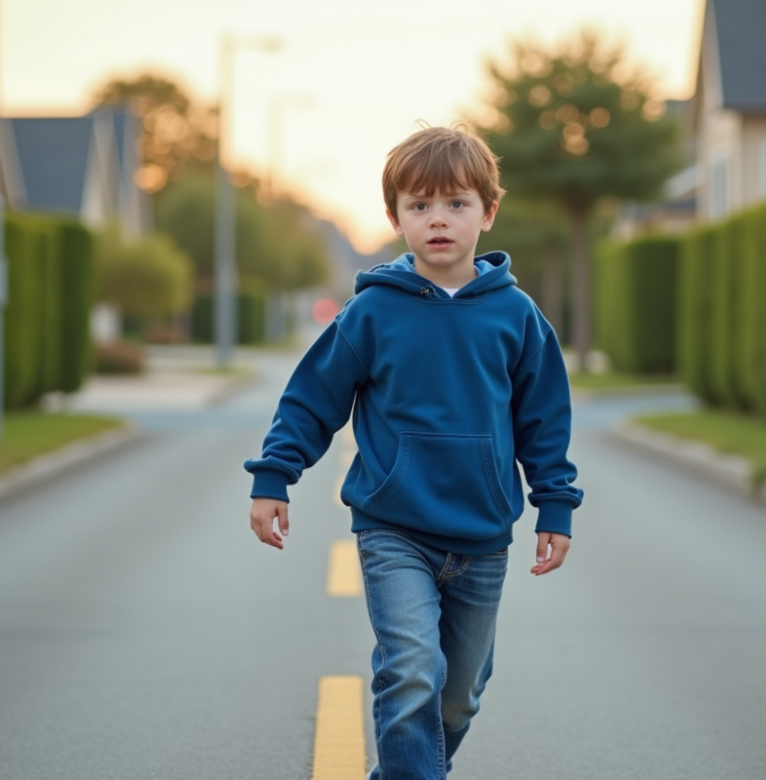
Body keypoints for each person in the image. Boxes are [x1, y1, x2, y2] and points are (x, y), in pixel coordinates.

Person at [245, 125, 583, 779]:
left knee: (456, 699)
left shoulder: (515, 315)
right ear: (395, 217)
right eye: (419, 205)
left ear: (488, 212)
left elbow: (546, 421)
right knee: (409, 674)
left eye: (456, 204)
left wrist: (556, 508)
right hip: (393, 528)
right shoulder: (372, 313)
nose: (438, 220)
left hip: (484, 536)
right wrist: (273, 476)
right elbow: (313, 398)